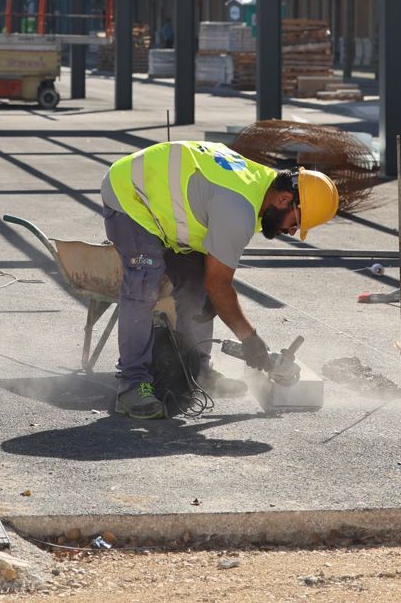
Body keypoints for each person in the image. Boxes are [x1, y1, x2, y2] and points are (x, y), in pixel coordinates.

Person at [100, 140, 339, 419]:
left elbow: (213, 280)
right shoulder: (239, 208)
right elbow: (219, 284)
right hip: (131, 196)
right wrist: (251, 340)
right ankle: (132, 384)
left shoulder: (259, 185)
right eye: (295, 222)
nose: (291, 230)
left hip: (165, 207)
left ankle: (199, 372)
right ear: (285, 199)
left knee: (197, 288)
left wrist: (211, 290)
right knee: (144, 281)